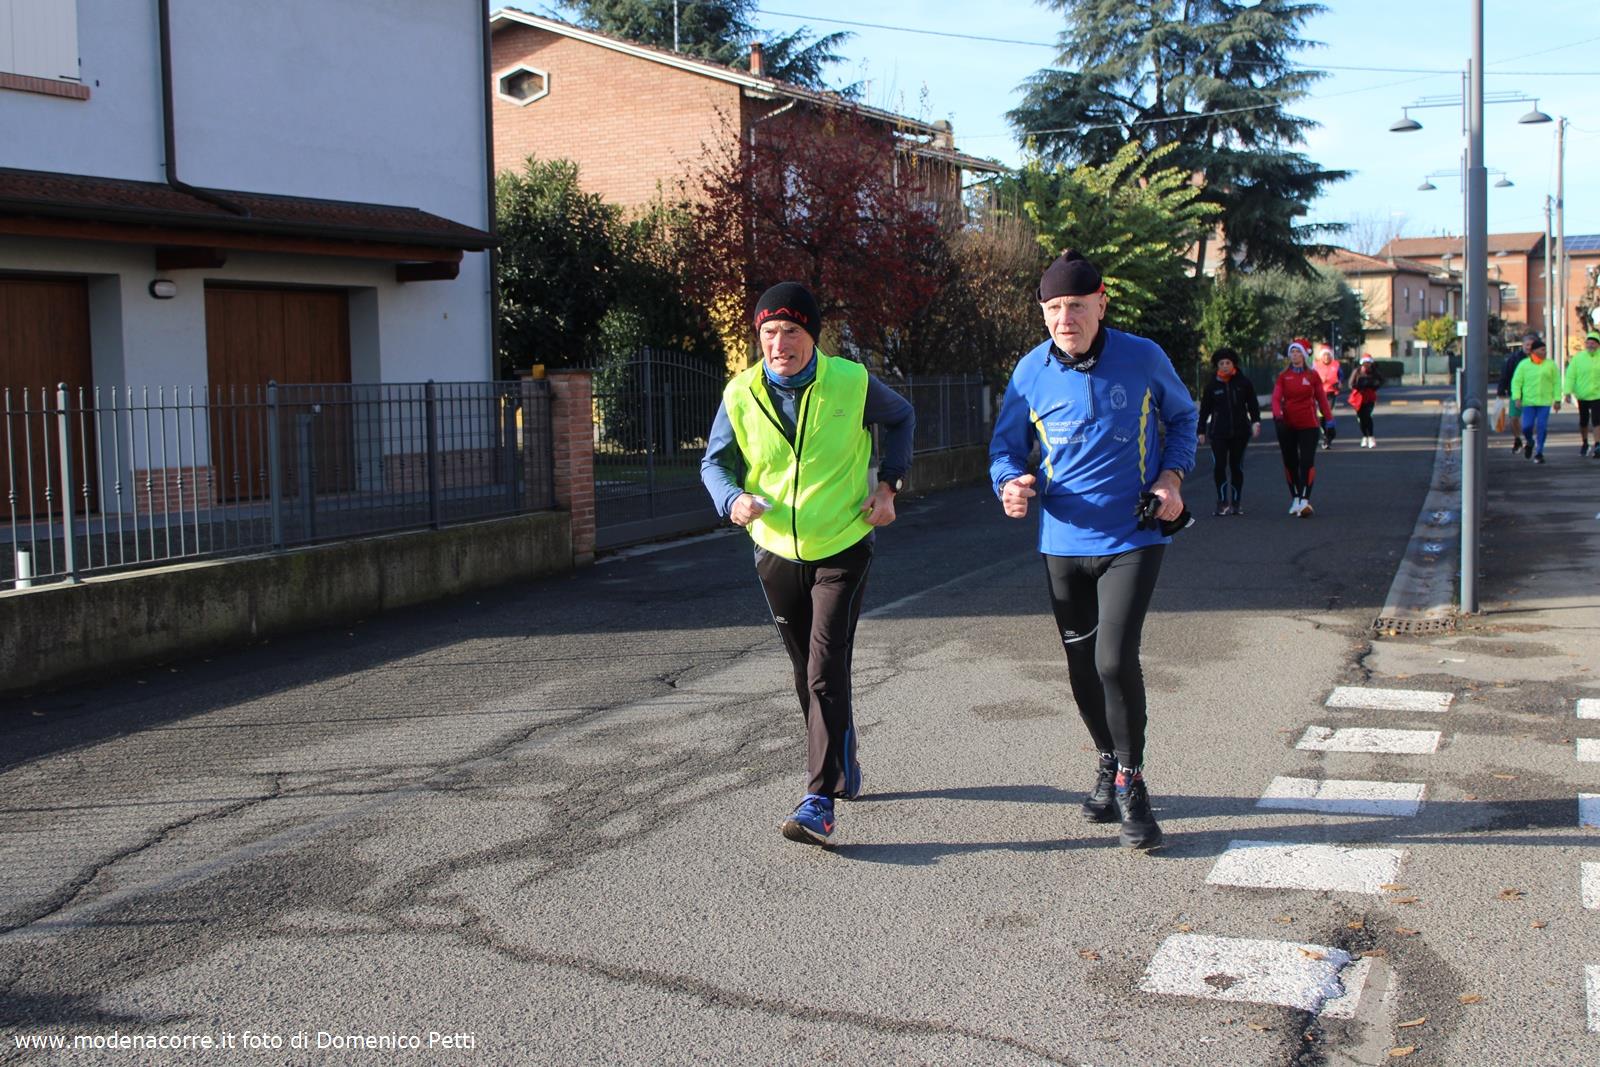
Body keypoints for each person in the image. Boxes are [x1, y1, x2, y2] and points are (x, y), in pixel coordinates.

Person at [989, 249, 1197, 851]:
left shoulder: (1143, 357)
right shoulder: (1029, 372)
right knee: (1081, 666)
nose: (1065, 318)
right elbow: (1005, 449)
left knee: (1113, 658)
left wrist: (1171, 480)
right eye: (1054, 308)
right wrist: (1009, 483)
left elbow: (1184, 420)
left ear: (1101, 304)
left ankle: (1133, 781)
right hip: (1061, 541)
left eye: (1077, 306)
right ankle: (1107, 759)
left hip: (1133, 535)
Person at [699, 282, 914, 846]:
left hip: (843, 543)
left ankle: (819, 800)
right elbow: (713, 463)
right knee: (807, 671)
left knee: (823, 666)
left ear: (812, 336)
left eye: (791, 331)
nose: (780, 343)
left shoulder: (851, 381)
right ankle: (842, 757)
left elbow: (903, 417)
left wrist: (888, 486)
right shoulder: (740, 393)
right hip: (775, 550)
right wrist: (731, 500)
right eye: (769, 332)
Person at [1196, 347, 1262, 515]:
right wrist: (1201, 430)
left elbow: (1253, 404)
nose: (1225, 366)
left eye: (1228, 363)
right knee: (1219, 466)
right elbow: (1205, 410)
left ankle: (1236, 503)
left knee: (1236, 467)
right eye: (1221, 363)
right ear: (1217, 366)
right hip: (1218, 433)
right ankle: (1222, 502)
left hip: (1240, 433)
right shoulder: (1211, 386)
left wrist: (1255, 422)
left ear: (1234, 364)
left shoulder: (1243, 383)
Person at [1271, 340, 1333, 517]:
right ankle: (1296, 498)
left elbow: (1321, 399)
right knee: (1291, 462)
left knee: (1306, 461)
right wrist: (1278, 415)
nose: (1295, 355)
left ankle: (1305, 500)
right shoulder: (1283, 376)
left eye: (1298, 352)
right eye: (1292, 352)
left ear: (1304, 356)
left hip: (1309, 424)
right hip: (1288, 424)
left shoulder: (1312, 375)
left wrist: (1329, 420)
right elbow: (1276, 398)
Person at [1510, 337, 1560, 463]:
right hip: (1529, 402)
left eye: (1545, 350)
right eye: (1542, 350)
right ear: (1534, 351)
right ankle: (1530, 441)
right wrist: (1517, 397)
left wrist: (1557, 400)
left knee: (1542, 426)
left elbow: (1556, 383)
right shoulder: (1524, 365)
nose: (1545, 352)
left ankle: (1539, 452)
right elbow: (1516, 382)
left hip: (1545, 402)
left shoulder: (1550, 365)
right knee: (1526, 427)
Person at [1498, 332, 1539, 452]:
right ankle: (1517, 439)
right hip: (1516, 393)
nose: (1529, 347)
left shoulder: (1539, 360)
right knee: (1514, 418)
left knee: (1528, 420)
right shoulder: (1514, 358)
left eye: (1531, 345)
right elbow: (1506, 374)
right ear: (1523, 345)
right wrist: (1501, 389)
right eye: (1527, 345)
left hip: (1532, 394)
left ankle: (1529, 439)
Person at [1564, 331, 1600, 457]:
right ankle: (1585, 442)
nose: (1590, 345)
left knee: (1597, 420)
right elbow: (1570, 376)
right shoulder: (1578, 358)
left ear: (1598, 345)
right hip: (1582, 394)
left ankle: (1598, 445)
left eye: (1593, 343)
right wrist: (1567, 392)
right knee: (1583, 421)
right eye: (1588, 343)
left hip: (1597, 395)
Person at [1348, 354, 1384, 448]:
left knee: (1368, 416)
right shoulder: (1357, 371)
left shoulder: (1374, 371)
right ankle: (1365, 436)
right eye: (1365, 363)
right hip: (1358, 398)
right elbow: (1351, 384)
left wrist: (1373, 386)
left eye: (1368, 363)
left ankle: (1371, 437)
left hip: (1370, 397)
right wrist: (1358, 386)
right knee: (1361, 418)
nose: (1366, 365)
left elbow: (1381, 381)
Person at [1312, 343, 1342, 449]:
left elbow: (1340, 376)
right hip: (1319, 394)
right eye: (1324, 355)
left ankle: (1329, 436)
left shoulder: (1336, 365)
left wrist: (1339, 383)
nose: (1326, 357)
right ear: (1321, 356)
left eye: (1328, 355)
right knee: (1321, 417)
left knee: (1327, 412)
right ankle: (1326, 434)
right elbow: (1311, 378)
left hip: (1331, 393)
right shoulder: (1316, 366)